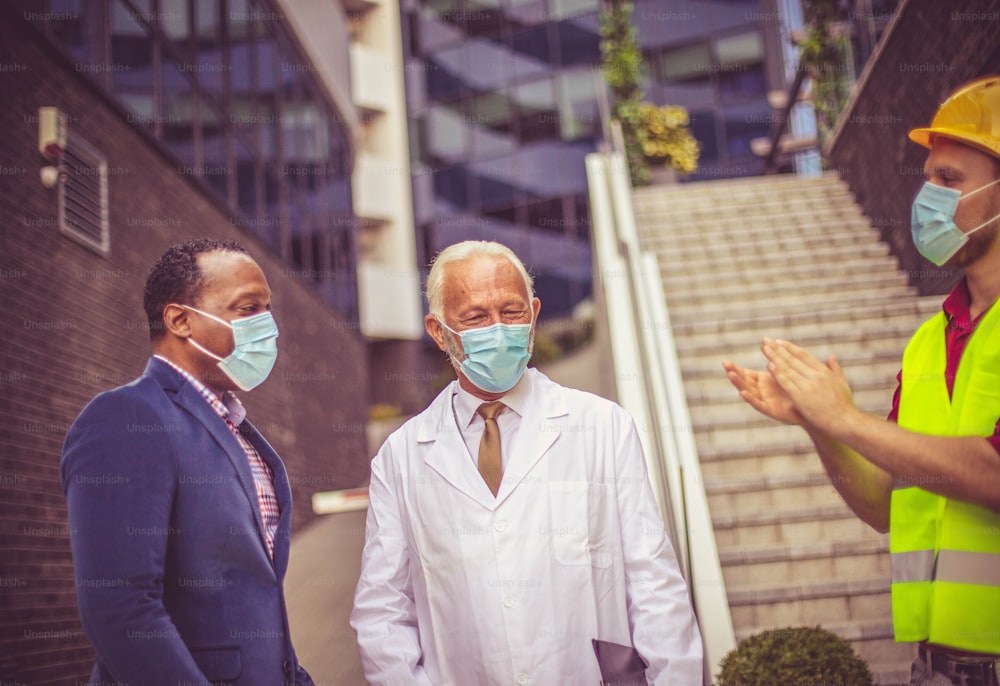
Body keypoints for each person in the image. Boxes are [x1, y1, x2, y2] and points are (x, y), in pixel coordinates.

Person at [723, 75, 1000, 686]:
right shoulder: (931, 341)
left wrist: (848, 418)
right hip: (935, 666)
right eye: (928, 177)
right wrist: (821, 425)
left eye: (950, 180)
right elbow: (883, 507)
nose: (927, 196)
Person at [351, 240, 703, 685]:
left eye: (512, 312)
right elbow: (383, 611)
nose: (498, 330)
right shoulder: (400, 459)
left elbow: (654, 584)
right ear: (439, 332)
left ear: (534, 314)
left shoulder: (603, 427)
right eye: (476, 317)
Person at [62, 239, 313, 685]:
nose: (267, 327)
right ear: (180, 320)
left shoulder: (236, 429)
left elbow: (255, 599)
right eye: (246, 308)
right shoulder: (128, 418)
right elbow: (120, 608)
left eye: (266, 309)